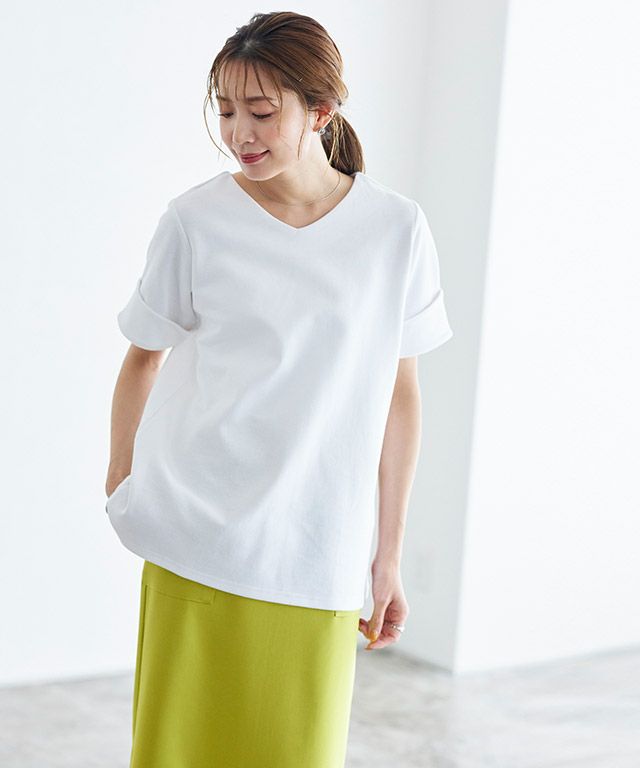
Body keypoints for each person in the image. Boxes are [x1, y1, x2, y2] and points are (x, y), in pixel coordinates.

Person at [105, 10, 453, 768]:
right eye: (226, 111)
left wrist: (387, 555)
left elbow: (400, 396)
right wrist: (121, 483)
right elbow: (142, 358)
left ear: (321, 111)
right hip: (195, 537)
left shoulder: (395, 230)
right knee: (177, 752)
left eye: (261, 112)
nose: (239, 133)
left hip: (317, 550)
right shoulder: (195, 220)